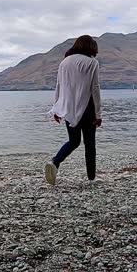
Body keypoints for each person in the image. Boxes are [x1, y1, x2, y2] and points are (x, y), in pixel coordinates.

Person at [46, 35, 102, 185]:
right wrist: (98, 114)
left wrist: (57, 108)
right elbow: (95, 89)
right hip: (87, 108)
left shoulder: (64, 62)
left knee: (74, 141)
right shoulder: (92, 62)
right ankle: (91, 178)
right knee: (89, 144)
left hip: (69, 108)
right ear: (90, 47)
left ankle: (55, 162)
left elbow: (59, 86)